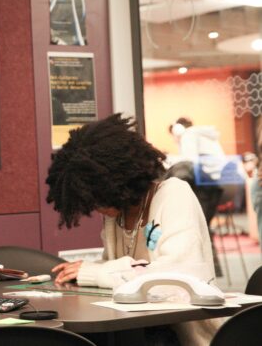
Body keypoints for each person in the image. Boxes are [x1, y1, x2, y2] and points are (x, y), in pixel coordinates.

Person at [47, 114, 217, 346]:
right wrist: (87, 270)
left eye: (98, 198)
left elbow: (178, 278)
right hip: (136, 332)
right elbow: (118, 271)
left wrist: (95, 272)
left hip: (184, 337)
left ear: (117, 182)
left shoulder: (174, 195)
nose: (96, 207)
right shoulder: (115, 217)